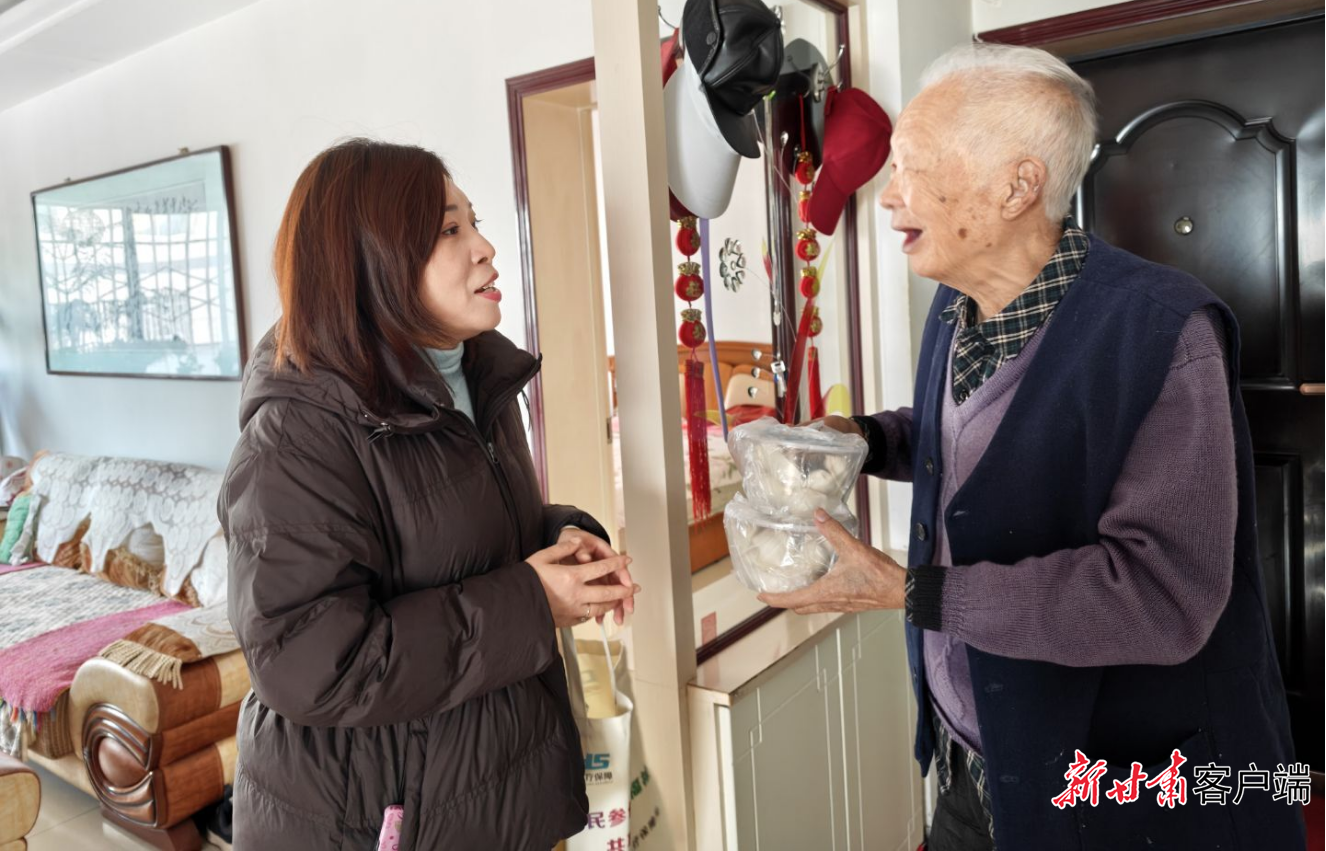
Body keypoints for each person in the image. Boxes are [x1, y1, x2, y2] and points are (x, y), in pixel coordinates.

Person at [761, 45, 1303, 850]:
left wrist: (912, 593)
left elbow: (1158, 595)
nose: (887, 196)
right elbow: (975, 436)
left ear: (1017, 186)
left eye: (910, 167)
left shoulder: (1165, 333)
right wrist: (867, 439)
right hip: (979, 767)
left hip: (1122, 796)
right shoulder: (957, 300)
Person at [219, 139, 637, 849]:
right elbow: (313, 660)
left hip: (491, 793)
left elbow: (463, 540)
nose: (487, 249)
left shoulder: (477, 381)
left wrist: (561, 540)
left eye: (473, 222)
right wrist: (533, 602)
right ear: (368, 258)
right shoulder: (297, 433)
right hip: (367, 818)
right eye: (451, 230)